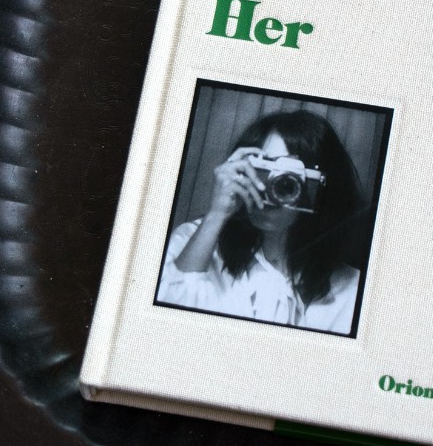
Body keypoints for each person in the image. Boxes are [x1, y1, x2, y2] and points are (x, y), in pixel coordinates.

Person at [156, 110, 365, 334]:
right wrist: (217, 214)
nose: (273, 185)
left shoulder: (352, 289)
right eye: (265, 169)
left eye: (289, 177)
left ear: (321, 185)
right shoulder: (191, 240)